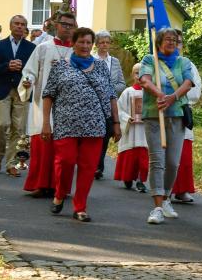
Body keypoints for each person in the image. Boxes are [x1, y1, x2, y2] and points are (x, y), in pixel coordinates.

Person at [41, 27, 121, 222]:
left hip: (95, 124)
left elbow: (111, 96)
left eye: (88, 42)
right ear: (73, 43)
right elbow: (48, 95)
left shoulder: (101, 66)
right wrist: (45, 123)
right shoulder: (61, 66)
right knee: (66, 161)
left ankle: (80, 206)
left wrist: (116, 122)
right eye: (81, 42)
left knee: (88, 167)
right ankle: (60, 194)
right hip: (66, 123)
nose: (85, 46)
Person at [138, 27, 196, 225]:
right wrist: (160, 95)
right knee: (157, 160)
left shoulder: (183, 62)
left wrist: (172, 97)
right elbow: (145, 81)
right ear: (159, 42)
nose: (171, 42)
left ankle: (166, 197)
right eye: (168, 39)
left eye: (175, 40)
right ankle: (156, 207)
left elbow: (188, 83)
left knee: (173, 162)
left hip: (177, 116)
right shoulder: (149, 60)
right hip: (154, 115)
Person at [19, 11, 77, 197]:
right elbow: (30, 71)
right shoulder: (43, 48)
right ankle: (40, 184)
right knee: (43, 145)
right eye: (64, 24)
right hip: (43, 104)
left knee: (65, 147)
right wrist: (28, 80)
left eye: (71, 24)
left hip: (69, 106)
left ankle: (60, 187)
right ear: (56, 25)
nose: (67, 27)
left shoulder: (78, 51)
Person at [0, 15, 36, 176]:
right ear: (10, 26)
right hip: (3, 89)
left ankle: (12, 164)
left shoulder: (31, 47)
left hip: (22, 91)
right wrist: (7, 66)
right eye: (17, 24)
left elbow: (34, 70)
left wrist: (29, 80)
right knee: (1, 125)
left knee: (19, 129)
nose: (20, 27)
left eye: (23, 24)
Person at [171, 30, 201, 204]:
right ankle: (164, 191)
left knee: (183, 155)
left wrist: (176, 96)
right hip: (163, 112)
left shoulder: (188, 64)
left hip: (182, 112)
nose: (176, 45)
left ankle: (182, 190)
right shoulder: (156, 63)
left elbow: (195, 91)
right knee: (165, 154)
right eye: (172, 41)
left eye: (179, 42)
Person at [93, 30, 126, 180]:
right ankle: (90, 164)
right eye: (101, 42)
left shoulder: (115, 62)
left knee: (106, 134)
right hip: (93, 104)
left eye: (107, 42)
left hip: (109, 104)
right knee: (94, 136)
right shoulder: (91, 60)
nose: (104, 45)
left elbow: (121, 84)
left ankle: (99, 167)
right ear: (97, 44)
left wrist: (109, 90)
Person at [114, 63, 149, 192]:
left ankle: (141, 180)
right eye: (136, 73)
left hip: (144, 131)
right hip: (131, 130)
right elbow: (119, 109)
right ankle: (127, 177)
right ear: (132, 75)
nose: (139, 76)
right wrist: (127, 118)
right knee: (130, 155)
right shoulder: (127, 92)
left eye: (142, 73)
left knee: (143, 158)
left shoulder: (150, 92)